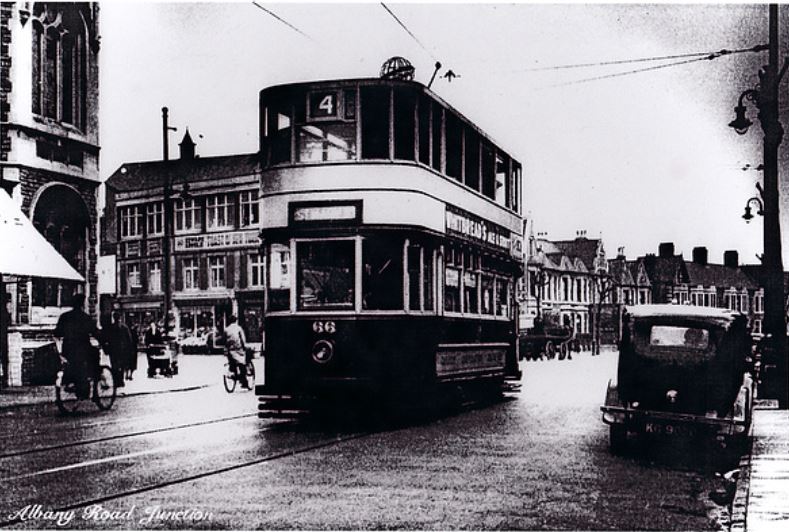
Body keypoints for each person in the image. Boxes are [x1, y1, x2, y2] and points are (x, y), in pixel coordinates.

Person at [54, 293, 100, 399]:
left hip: (68, 349)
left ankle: (72, 382)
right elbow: (95, 333)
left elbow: (57, 333)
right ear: (82, 304)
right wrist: (104, 342)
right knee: (95, 356)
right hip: (83, 349)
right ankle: (95, 388)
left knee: (72, 364)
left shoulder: (64, 316)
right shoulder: (85, 318)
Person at [100, 312, 135, 388]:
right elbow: (129, 339)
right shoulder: (124, 327)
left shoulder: (110, 328)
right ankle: (121, 381)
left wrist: (106, 349)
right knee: (122, 366)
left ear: (113, 318)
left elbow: (105, 339)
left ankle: (116, 381)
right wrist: (130, 349)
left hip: (113, 350)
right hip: (122, 350)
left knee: (114, 366)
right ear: (119, 318)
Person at [224, 315, 249, 389]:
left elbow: (224, 340)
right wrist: (244, 347)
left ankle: (234, 374)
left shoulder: (226, 329)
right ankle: (243, 380)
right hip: (238, 349)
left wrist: (225, 349)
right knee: (242, 363)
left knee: (232, 363)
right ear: (236, 320)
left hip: (230, 349)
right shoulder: (238, 328)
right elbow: (243, 339)